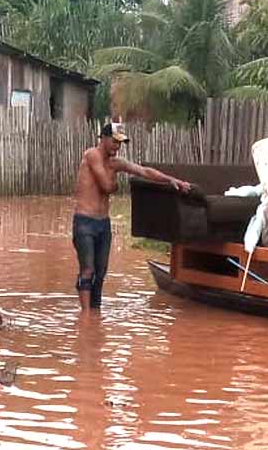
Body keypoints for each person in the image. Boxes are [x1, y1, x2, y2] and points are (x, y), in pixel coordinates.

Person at [73, 122, 191, 316]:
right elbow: (106, 186)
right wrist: (115, 184)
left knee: (100, 274)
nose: (117, 147)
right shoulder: (92, 155)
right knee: (88, 270)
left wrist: (172, 180)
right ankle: (86, 318)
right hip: (85, 221)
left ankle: (96, 313)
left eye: (120, 143)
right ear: (103, 138)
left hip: (103, 223)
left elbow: (144, 172)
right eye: (114, 141)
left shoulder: (115, 163)